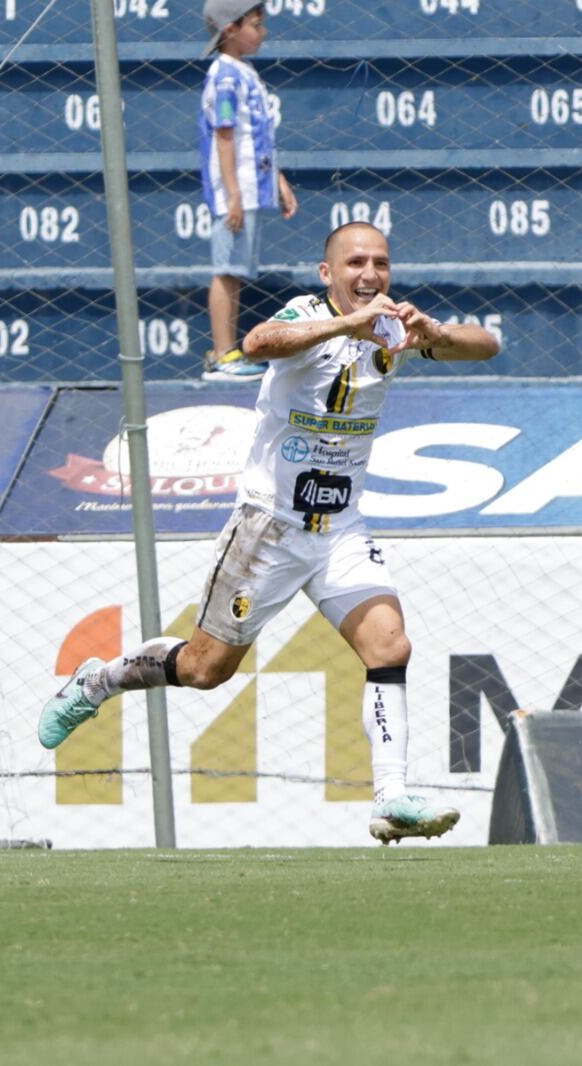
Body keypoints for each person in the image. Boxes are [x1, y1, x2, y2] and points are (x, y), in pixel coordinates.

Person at [39, 222, 500, 844]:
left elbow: (486, 345)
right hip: (270, 526)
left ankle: (391, 797)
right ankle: (100, 679)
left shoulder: (396, 327)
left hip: (340, 528)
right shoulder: (310, 315)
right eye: (356, 263)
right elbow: (258, 342)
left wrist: (436, 335)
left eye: (381, 263)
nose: (370, 274)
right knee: (205, 670)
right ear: (327, 274)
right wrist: (348, 325)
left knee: (390, 647)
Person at [199, 0, 297, 382]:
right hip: (235, 195)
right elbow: (225, 137)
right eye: (256, 24)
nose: (263, 31)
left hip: (251, 190)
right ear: (231, 30)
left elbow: (259, 140)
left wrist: (279, 183)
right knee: (226, 271)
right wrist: (234, 196)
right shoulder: (225, 75)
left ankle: (228, 352)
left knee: (234, 271)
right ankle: (222, 355)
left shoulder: (244, 71)